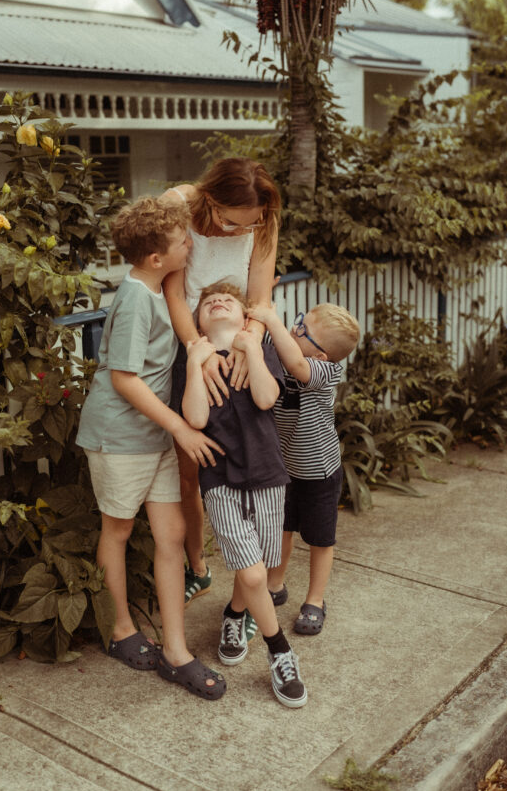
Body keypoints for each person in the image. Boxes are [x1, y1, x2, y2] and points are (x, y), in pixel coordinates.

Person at [76, 196, 226, 700]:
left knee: (172, 535)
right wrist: (181, 429)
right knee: (117, 530)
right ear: (157, 257)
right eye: (183, 242)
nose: (191, 246)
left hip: (156, 433)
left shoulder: (160, 286)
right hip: (120, 436)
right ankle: (121, 629)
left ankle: (176, 651)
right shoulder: (137, 298)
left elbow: (182, 198)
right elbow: (124, 379)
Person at [182, 281, 308, 708]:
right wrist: (194, 363)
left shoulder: (261, 349)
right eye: (209, 302)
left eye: (228, 300)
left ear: (243, 317)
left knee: (255, 561)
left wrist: (251, 347)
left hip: (268, 473)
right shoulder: (196, 359)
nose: (218, 302)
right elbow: (195, 419)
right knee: (255, 575)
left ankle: (235, 614)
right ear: (200, 322)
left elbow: (267, 397)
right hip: (220, 480)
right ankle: (280, 651)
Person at [161, 158, 281, 605]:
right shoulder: (179, 205)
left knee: (255, 464)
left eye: (248, 226)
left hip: (246, 346)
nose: (238, 232)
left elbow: (260, 296)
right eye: (230, 222)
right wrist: (199, 351)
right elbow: (174, 292)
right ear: (210, 199)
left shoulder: (264, 217)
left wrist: (251, 344)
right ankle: (198, 567)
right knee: (190, 469)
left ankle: (247, 596)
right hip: (191, 345)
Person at [247, 301, 360, 636]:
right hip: (283, 465)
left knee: (320, 538)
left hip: (319, 472)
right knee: (281, 527)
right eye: (299, 321)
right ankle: (275, 584)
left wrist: (271, 320)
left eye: (303, 330)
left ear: (322, 355)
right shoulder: (279, 347)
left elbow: (297, 365)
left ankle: (315, 600)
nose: (293, 329)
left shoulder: (326, 371)